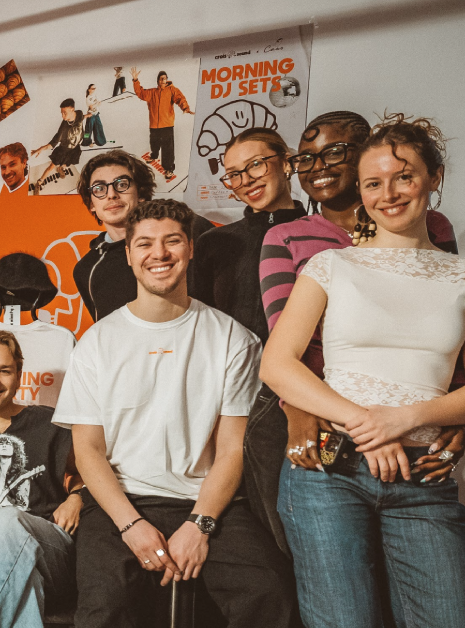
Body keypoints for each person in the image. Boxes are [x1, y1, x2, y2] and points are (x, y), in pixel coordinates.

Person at [261, 114, 465, 628]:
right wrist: (366, 425)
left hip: (424, 476)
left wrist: (404, 418)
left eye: (404, 177)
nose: (388, 194)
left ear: (433, 177)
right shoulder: (330, 267)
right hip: (330, 471)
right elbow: (278, 366)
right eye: (373, 183)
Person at [54, 199, 297, 628]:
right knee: (105, 605)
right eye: (144, 244)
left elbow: (231, 450)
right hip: (121, 501)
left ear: (190, 250)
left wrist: (199, 525)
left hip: (206, 500)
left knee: (268, 590)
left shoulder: (232, 340)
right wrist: (131, 526)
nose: (159, 254)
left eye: (172, 242)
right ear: (128, 255)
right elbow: (88, 451)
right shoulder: (96, 342)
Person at [248, 111, 465, 555]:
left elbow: (447, 328)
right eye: (305, 158)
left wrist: (456, 417)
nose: (318, 167)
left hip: (412, 428)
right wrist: (300, 411)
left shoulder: (432, 228)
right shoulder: (290, 237)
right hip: (323, 419)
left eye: (333, 152)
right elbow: (288, 345)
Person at [0, 330, 82, 628]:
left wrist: (78, 495)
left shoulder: (52, 424)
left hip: (48, 543)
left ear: (19, 375)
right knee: (24, 581)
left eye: (4, 371)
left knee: (5, 520)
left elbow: (94, 472)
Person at [192, 127, 306, 342]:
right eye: (234, 174)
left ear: (286, 163)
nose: (246, 180)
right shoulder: (212, 242)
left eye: (255, 164)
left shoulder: (320, 235)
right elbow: (200, 324)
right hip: (231, 372)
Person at [72, 151, 212, 324]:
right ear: (92, 203)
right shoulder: (87, 269)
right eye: (99, 189)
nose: (111, 195)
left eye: (122, 184)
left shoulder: (191, 231)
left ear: (142, 194)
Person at [130, 69, 192, 179]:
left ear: (167, 79)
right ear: (158, 81)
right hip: (154, 124)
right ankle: (154, 156)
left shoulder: (172, 90)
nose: (163, 80)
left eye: (165, 78)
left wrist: (185, 108)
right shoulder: (152, 92)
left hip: (167, 124)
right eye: (161, 78)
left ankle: (168, 169)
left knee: (167, 148)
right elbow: (140, 93)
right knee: (154, 143)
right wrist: (135, 80)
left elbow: (180, 98)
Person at [31, 99, 85, 190]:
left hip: (75, 148)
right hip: (63, 150)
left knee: (68, 162)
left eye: (64, 113)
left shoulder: (79, 114)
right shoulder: (64, 127)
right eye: (61, 113)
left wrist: (89, 116)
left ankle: (61, 168)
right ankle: (39, 182)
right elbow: (53, 143)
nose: (62, 116)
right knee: (51, 167)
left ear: (72, 110)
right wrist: (41, 148)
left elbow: (82, 116)